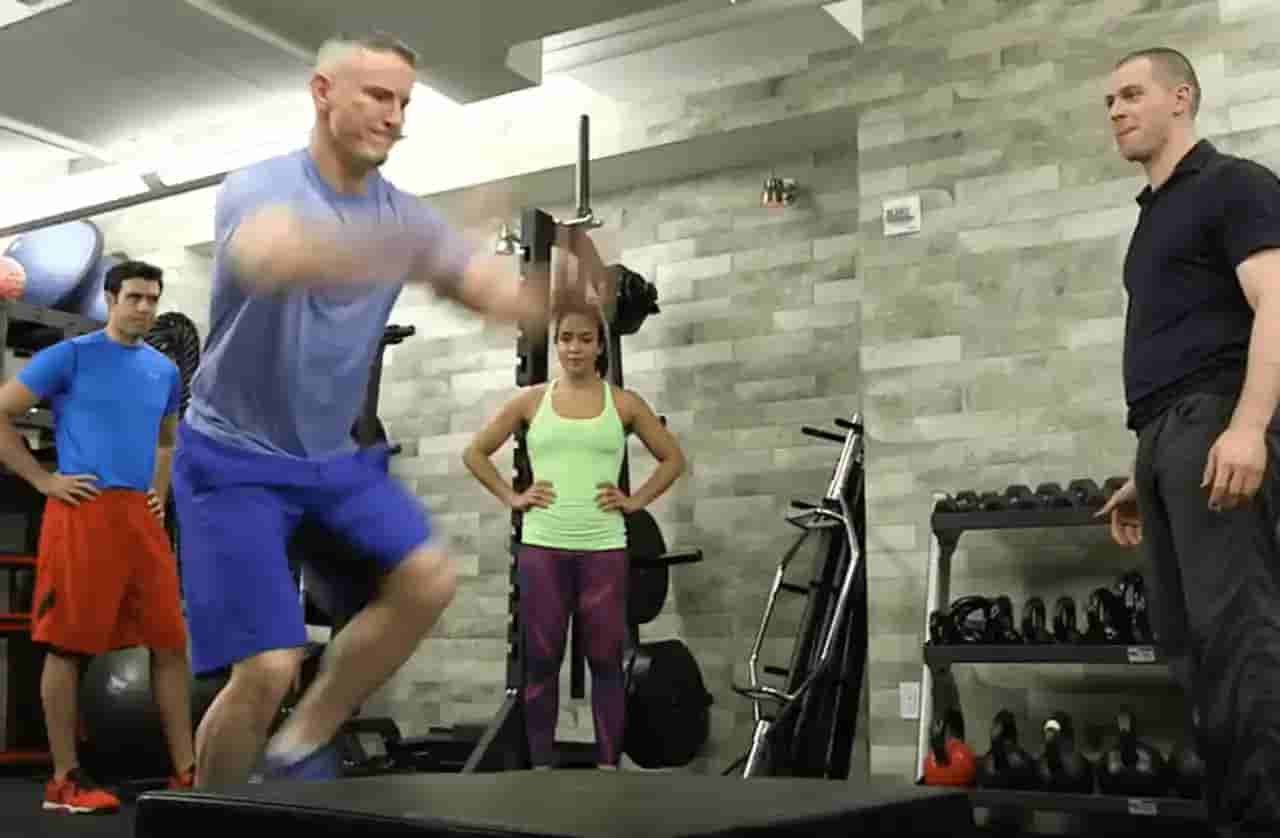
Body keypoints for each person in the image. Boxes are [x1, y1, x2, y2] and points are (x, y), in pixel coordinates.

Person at [171, 31, 607, 788]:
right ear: (322, 93)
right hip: (231, 458)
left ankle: (303, 739)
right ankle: (203, 815)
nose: (394, 116)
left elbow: (490, 291)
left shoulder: (403, 218)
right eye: (378, 95)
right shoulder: (262, 185)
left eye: (404, 102)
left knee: (428, 579)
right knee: (269, 665)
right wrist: (413, 250)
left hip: (331, 458)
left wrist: (553, 291)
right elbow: (273, 258)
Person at [1096, 47, 1280, 836]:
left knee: (1240, 641)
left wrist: (1247, 426)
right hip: (1165, 438)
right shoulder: (1153, 219)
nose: (1114, 109)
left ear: (1183, 98)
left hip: (1215, 423)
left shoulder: (1233, 184)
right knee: (1189, 650)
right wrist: (1148, 472)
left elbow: (1276, 301)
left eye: (1131, 94)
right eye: (1108, 100)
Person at [0, 260, 194, 813]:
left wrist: (159, 494)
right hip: (82, 511)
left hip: (140, 517)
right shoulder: (72, 355)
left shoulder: (164, 370)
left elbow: (165, 442)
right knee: (67, 645)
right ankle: (64, 782)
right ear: (110, 299)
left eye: (152, 299)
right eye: (134, 297)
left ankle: (187, 772)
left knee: (170, 643)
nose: (144, 308)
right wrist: (42, 480)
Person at [462, 296, 686, 769]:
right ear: (556, 346)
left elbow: (673, 458)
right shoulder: (531, 400)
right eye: (566, 339)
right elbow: (476, 452)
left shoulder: (622, 403)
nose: (575, 348)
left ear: (601, 346)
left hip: (603, 547)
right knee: (542, 663)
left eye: (585, 339)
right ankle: (541, 767)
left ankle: (607, 768)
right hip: (543, 546)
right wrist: (512, 496)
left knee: (606, 661)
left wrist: (635, 502)